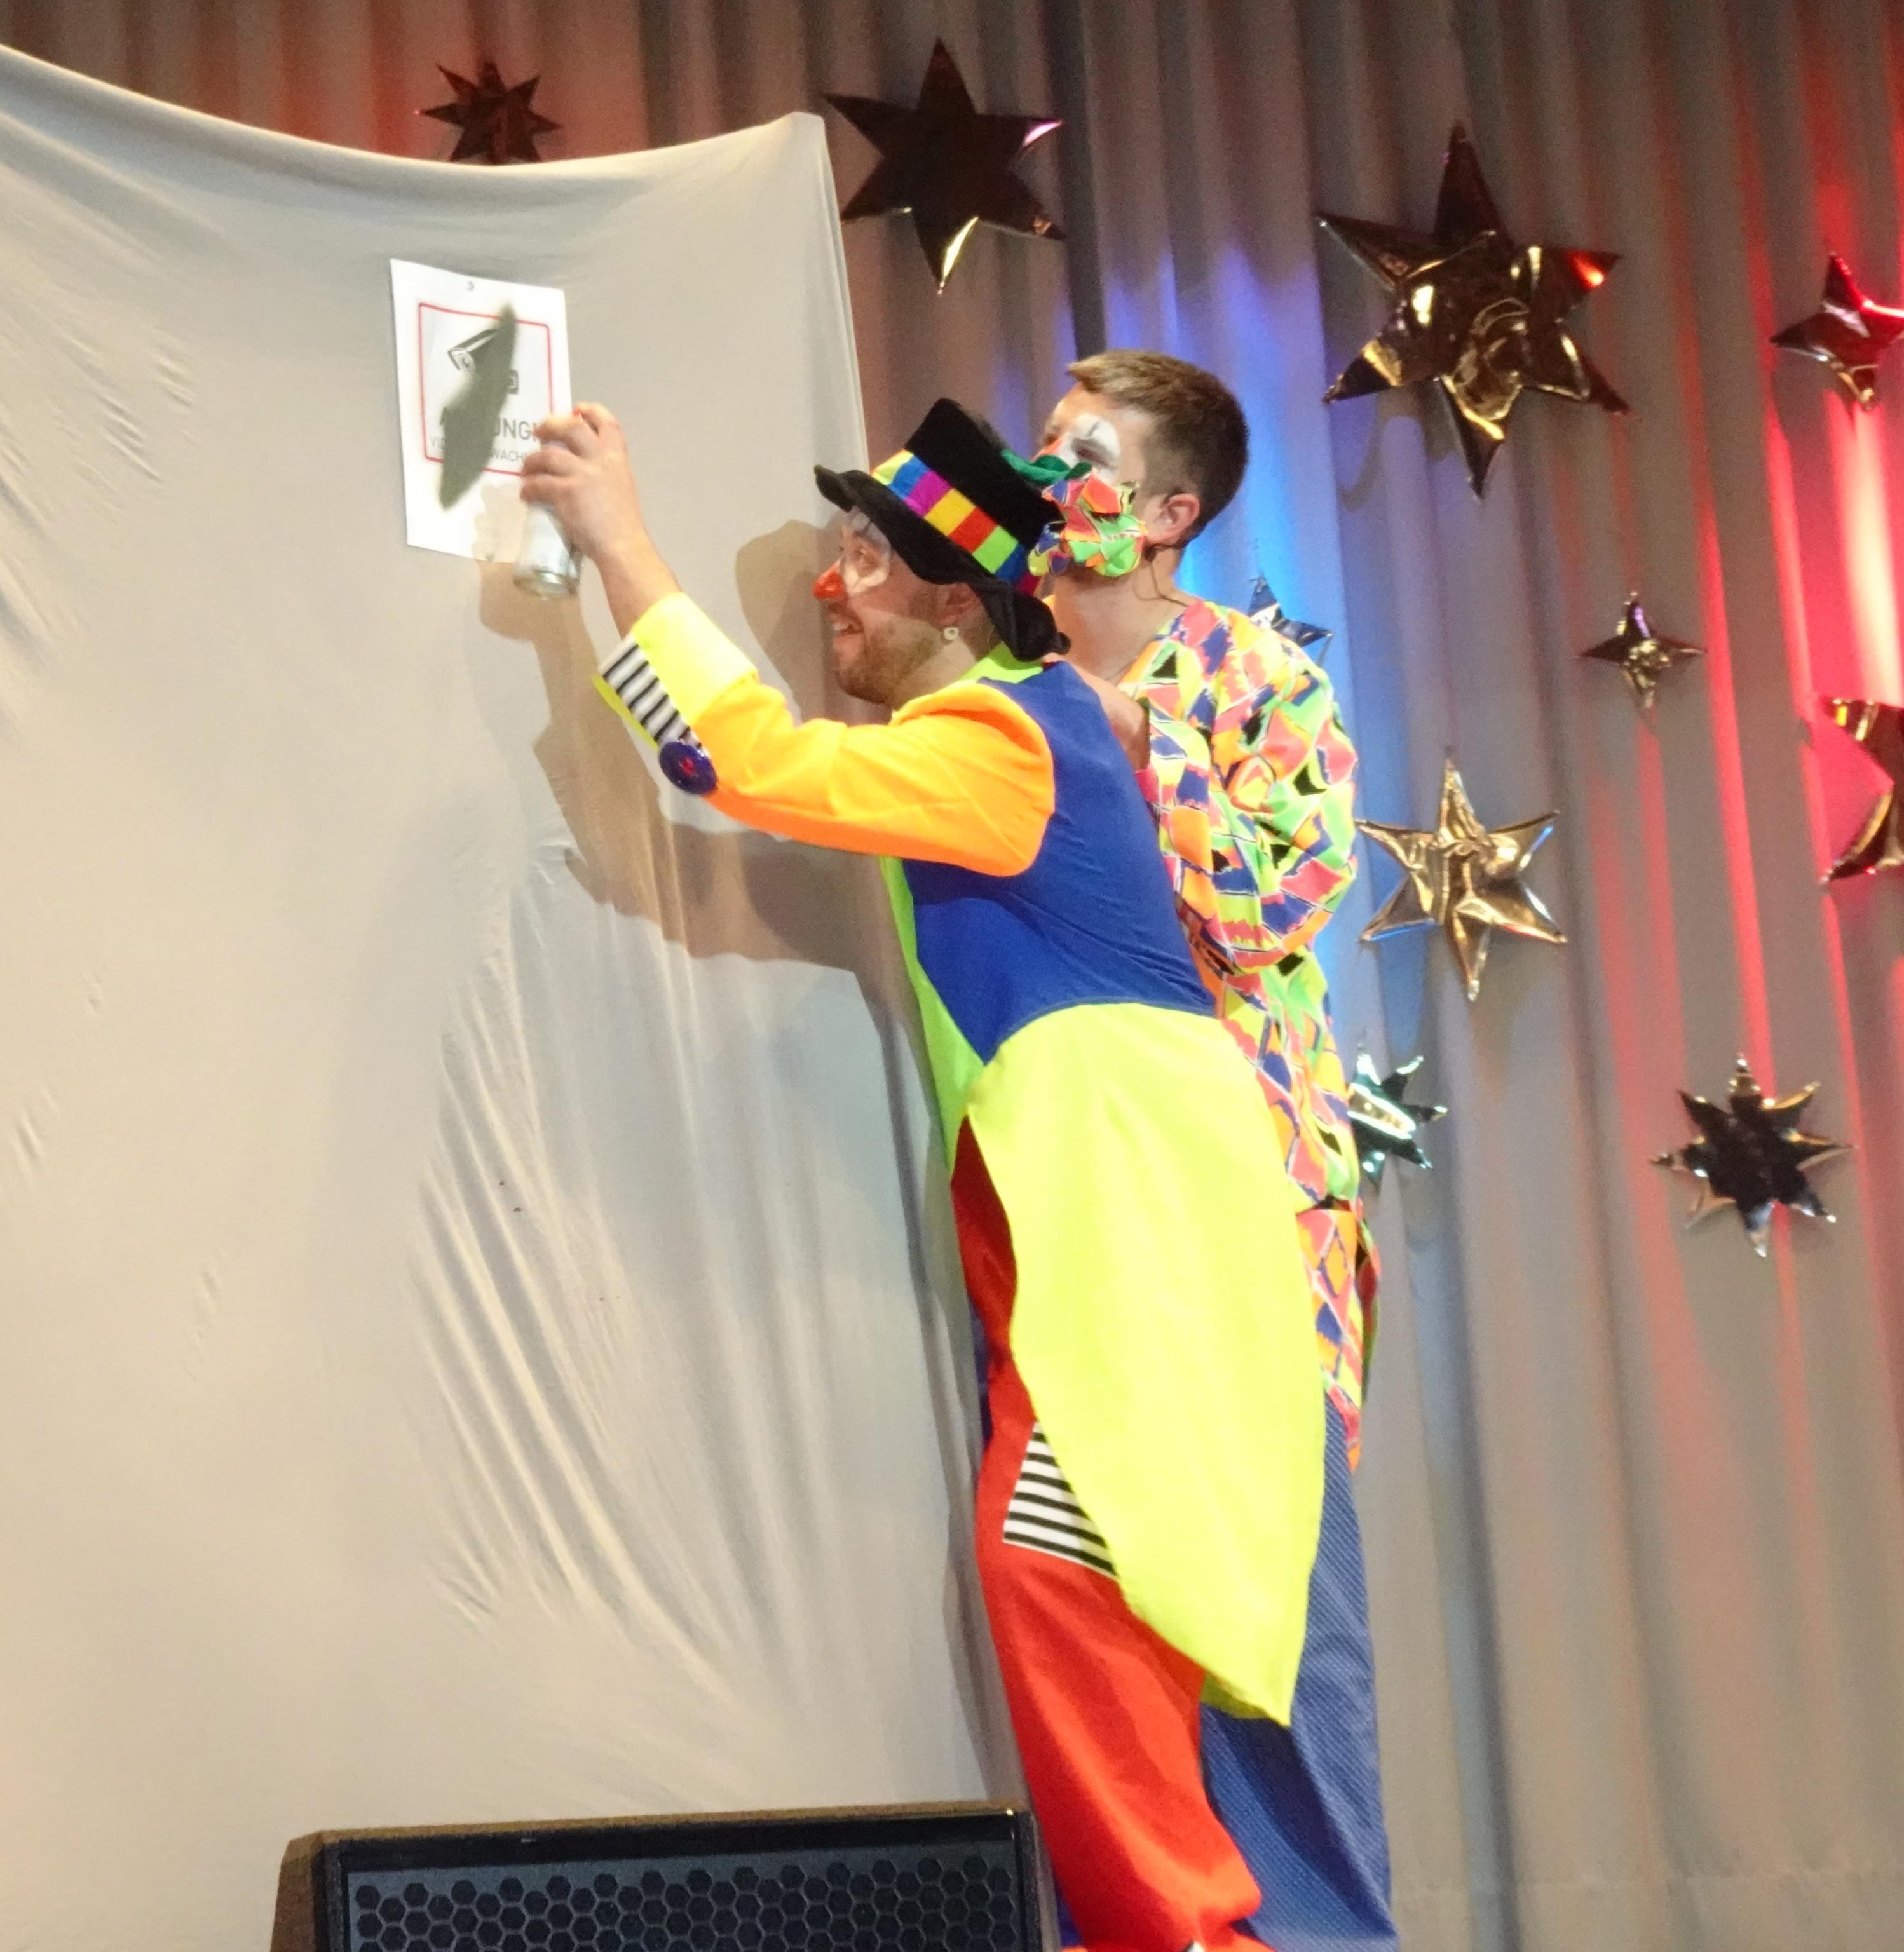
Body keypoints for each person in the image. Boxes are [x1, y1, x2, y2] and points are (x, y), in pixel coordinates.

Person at [522, 396, 1329, 1952]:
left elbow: (737, 759)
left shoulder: (1002, 736)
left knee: (1062, 1570)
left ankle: (1185, 1933)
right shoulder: (1020, 732)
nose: (831, 586)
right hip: (1109, 1193)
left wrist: (617, 542)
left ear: (957, 601)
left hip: (1131, 1200)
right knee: (1083, 1578)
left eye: (868, 560)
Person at [1033, 351, 1394, 1951]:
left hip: (1245, 1200)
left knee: (1271, 1603)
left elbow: (1272, 898)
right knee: (1088, 1598)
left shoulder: (1252, 677)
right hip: (1069, 1187)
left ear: (1167, 513)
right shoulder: (1002, 667)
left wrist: (1128, 732)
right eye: (1043, 445)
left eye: (1082, 454)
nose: (1050, 475)